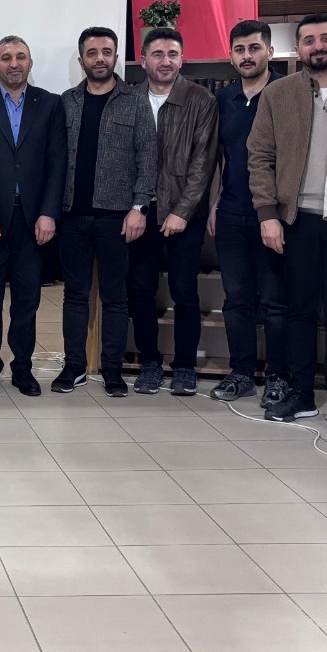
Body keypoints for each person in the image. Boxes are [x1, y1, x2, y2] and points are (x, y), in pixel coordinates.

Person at [248, 15, 327, 432]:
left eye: (325, 38)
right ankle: (301, 394)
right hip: (296, 220)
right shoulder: (277, 94)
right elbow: (259, 156)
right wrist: (268, 215)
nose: (318, 46)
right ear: (297, 49)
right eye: (308, 40)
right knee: (299, 312)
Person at [55, 27, 156, 397]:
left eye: (107, 52)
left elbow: (148, 158)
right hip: (72, 215)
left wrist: (139, 208)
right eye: (92, 52)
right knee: (74, 295)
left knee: (115, 297)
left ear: (115, 56)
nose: (100, 58)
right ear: (82, 59)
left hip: (117, 216)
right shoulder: (66, 102)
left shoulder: (135, 102)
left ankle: (112, 370)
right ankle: (74, 367)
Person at [0, 35, 65, 396]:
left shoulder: (51, 105)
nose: (14, 63)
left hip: (33, 221)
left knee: (27, 301)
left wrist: (49, 213)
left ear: (30, 63)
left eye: (20, 57)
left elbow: (57, 163)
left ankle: (23, 368)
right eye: (6, 58)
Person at [128, 27, 217, 396]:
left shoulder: (201, 99)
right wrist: (134, 207)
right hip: (140, 213)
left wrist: (181, 211)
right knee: (140, 290)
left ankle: (184, 367)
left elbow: (203, 162)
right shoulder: (129, 99)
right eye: (158, 54)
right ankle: (149, 362)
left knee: (184, 292)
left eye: (173, 54)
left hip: (184, 215)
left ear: (182, 59)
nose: (165, 61)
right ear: (143, 60)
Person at [208, 21, 286, 404]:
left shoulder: (287, 93)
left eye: (254, 48)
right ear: (231, 56)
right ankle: (241, 373)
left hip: (275, 216)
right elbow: (217, 157)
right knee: (236, 299)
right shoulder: (223, 100)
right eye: (239, 49)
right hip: (232, 213)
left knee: (275, 301)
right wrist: (213, 204)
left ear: (269, 52)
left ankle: (278, 377)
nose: (247, 56)